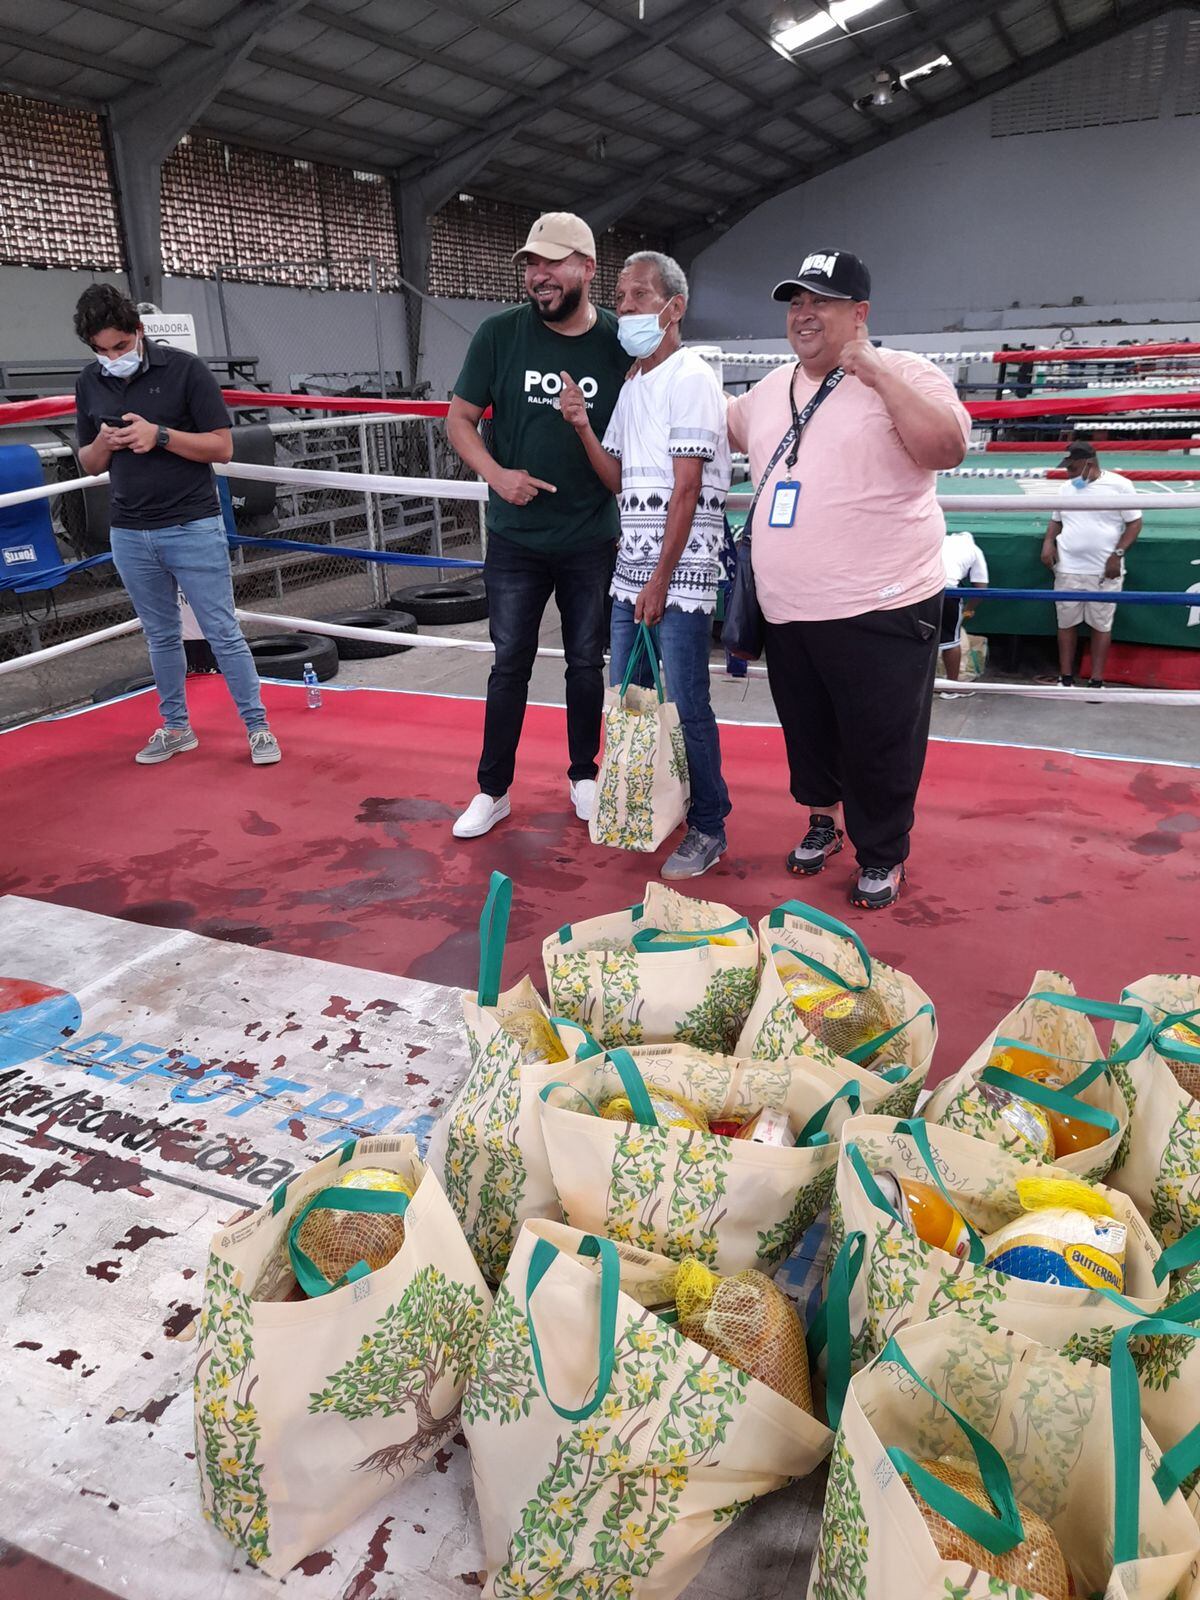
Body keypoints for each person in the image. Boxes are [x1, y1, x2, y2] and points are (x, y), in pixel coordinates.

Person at [725, 250, 970, 910]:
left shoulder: (910, 374)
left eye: (821, 302)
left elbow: (944, 448)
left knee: (880, 739)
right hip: (789, 609)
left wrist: (878, 374)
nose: (803, 314)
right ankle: (823, 823)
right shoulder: (770, 388)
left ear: (859, 314)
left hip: (882, 604)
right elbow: (712, 430)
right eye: (795, 302)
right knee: (809, 733)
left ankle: (882, 852)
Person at [446, 213, 629, 839]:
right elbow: (459, 420)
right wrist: (496, 475)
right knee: (509, 664)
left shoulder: (616, 343)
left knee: (586, 660)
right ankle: (492, 790)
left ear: (587, 268)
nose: (538, 275)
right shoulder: (500, 334)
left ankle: (584, 775)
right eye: (531, 263)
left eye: (552, 263)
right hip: (516, 538)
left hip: (591, 535)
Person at [561, 250, 732, 879]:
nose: (624, 308)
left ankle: (710, 824)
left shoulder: (690, 376)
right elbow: (618, 478)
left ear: (673, 307)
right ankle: (669, 799)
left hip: (676, 575)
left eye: (636, 296)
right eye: (623, 295)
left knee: (687, 701)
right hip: (632, 571)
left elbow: (686, 490)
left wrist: (660, 580)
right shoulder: (635, 382)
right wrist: (581, 426)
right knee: (632, 697)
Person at [73, 284, 280, 766]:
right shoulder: (89, 381)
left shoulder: (186, 370)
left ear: (139, 332)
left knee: (222, 630)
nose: (112, 357)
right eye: (101, 350)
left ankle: (258, 728)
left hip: (191, 523)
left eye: (120, 346)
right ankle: (175, 727)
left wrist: (159, 435)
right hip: (128, 529)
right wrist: (105, 442)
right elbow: (87, 463)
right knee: (160, 635)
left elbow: (223, 448)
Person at [1040, 442, 1142, 687]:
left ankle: (1097, 680)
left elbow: (1135, 523)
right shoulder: (1068, 488)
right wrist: (1048, 541)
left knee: (1101, 624)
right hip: (1068, 567)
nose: (1069, 473)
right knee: (1066, 623)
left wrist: (1117, 555)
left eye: (1073, 468)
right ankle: (1065, 678)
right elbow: (1057, 519)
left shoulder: (1120, 486)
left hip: (1103, 570)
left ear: (1089, 464)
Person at [939, 529, 989, 691]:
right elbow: (981, 588)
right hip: (948, 589)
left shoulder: (942, 540)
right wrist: (968, 610)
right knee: (951, 642)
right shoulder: (974, 549)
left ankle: (919, 686)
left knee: (921, 638)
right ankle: (951, 689)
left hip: (920, 590)